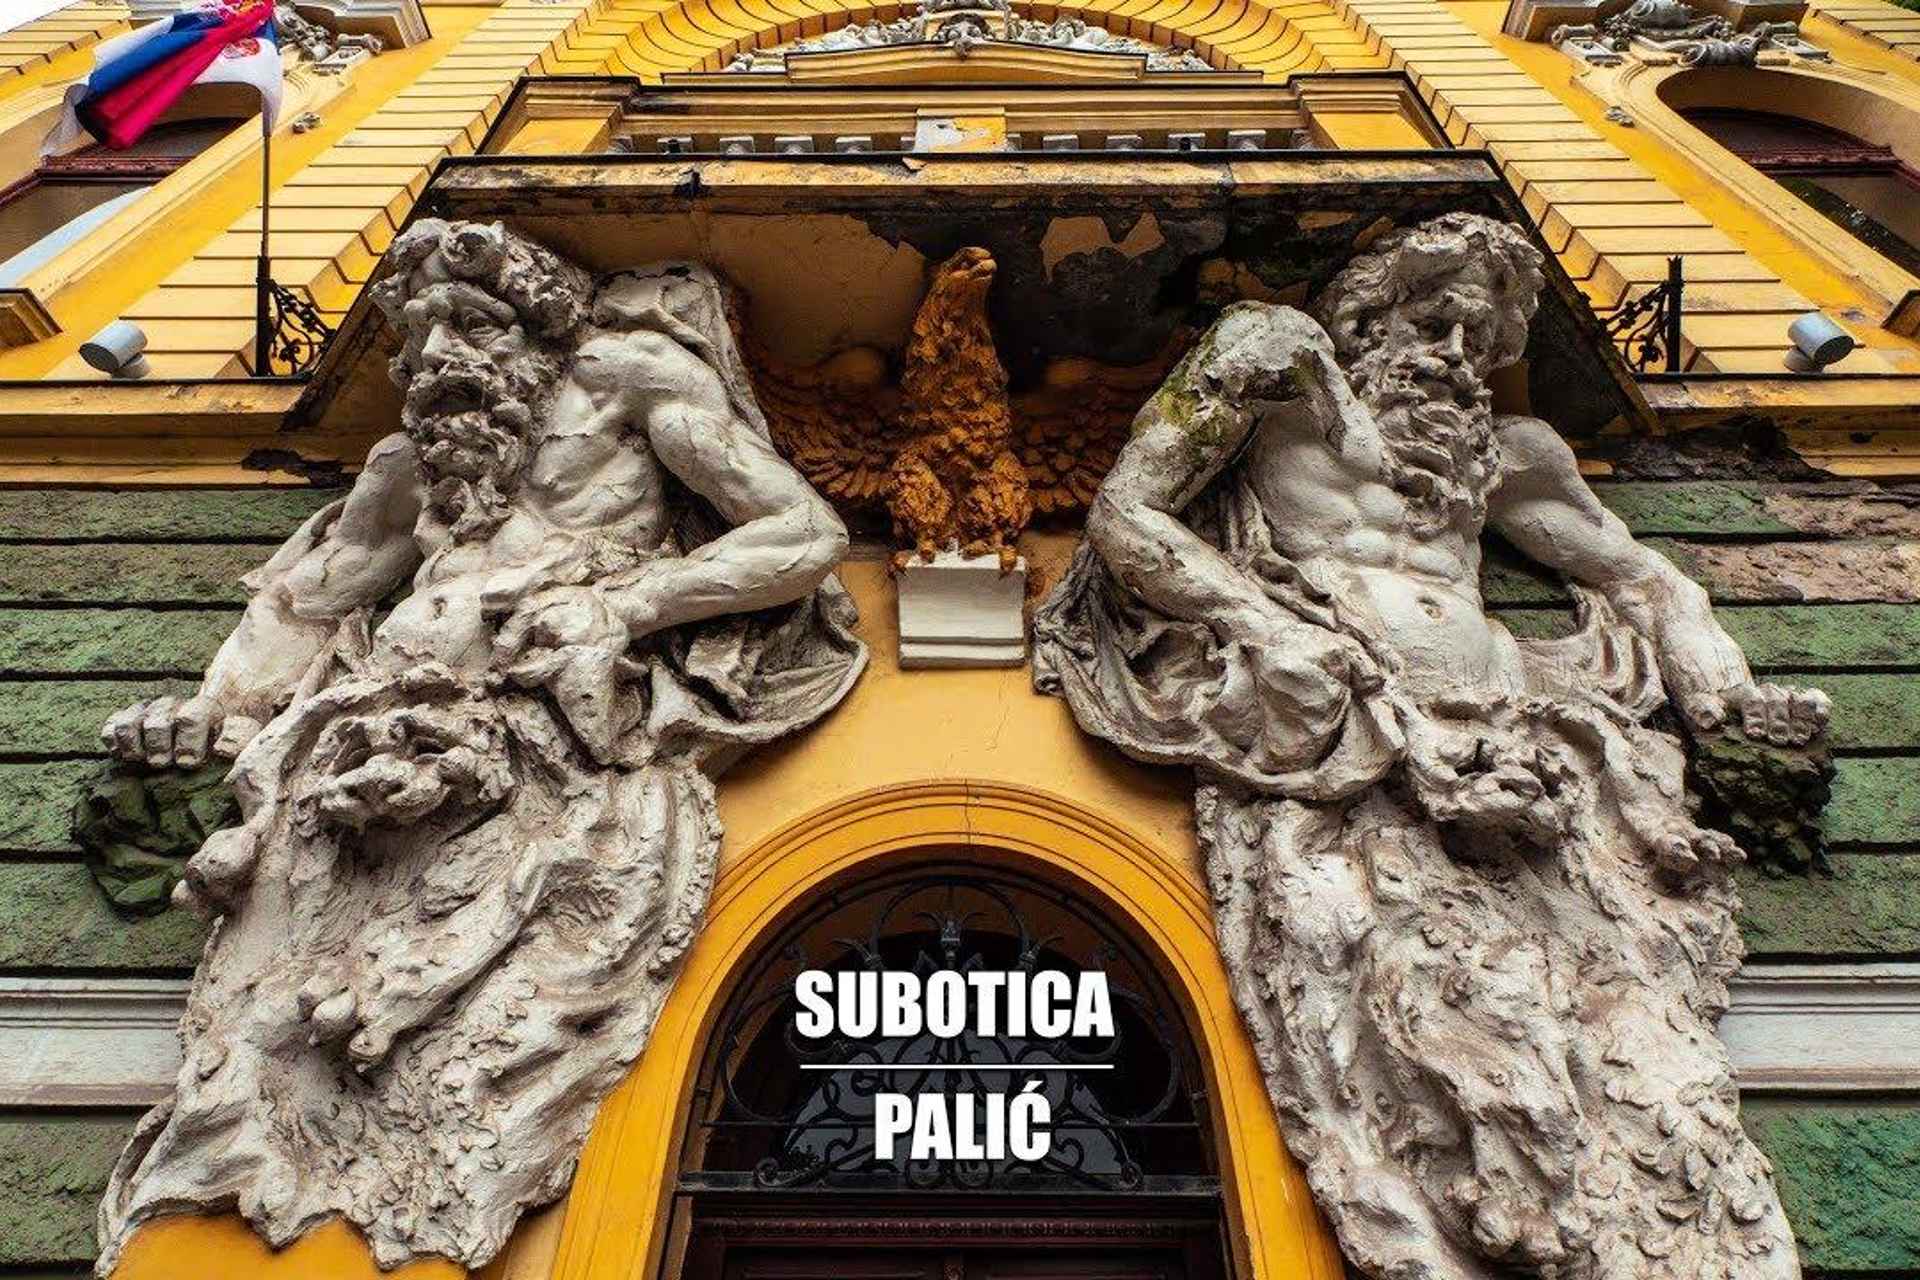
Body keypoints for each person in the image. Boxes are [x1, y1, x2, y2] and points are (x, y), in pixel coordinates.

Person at [1035, 211, 1819, 1280]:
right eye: (1434, 322)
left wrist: (1728, 696)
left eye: (1479, 340)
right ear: (1367, 320)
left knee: (1614, 1035)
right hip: (1347, 737)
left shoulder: (1508, 454)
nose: (1455, 355)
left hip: (1519, 755)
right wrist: (1265, 625)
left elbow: (1643, 577)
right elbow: (1128, 512)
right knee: (1383, 1004)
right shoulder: (1282, 372)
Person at [94, 220, 865, 1272]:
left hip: (539, 737)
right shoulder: (416, 455)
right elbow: (310, 596)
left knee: (481, 1014)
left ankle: (404, 1179)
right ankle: (262, 1173)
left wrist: (625, 604)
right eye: (420, 336)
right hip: (366, 750)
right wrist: (215, 704)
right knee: (271, 1023)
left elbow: (802, 533)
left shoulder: (624, 380)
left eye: (472, 321)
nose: (443, 353)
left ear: (542, 324)